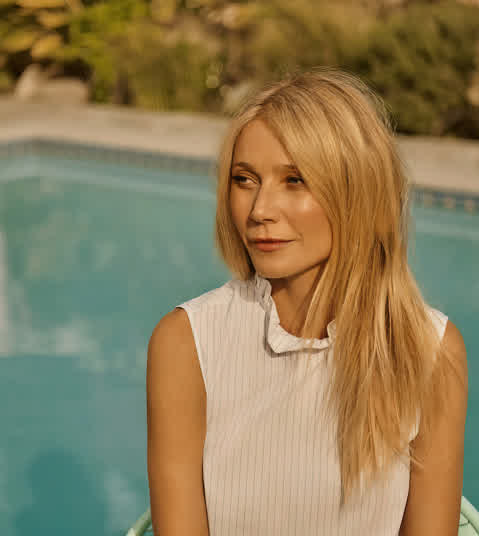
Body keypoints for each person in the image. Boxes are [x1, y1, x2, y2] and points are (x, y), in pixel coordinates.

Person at [146, 67, 468, 535]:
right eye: (245, 179)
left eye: (294, 180)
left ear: (356, 190)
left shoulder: (430, 351)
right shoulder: (186, 344)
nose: (260, 210)